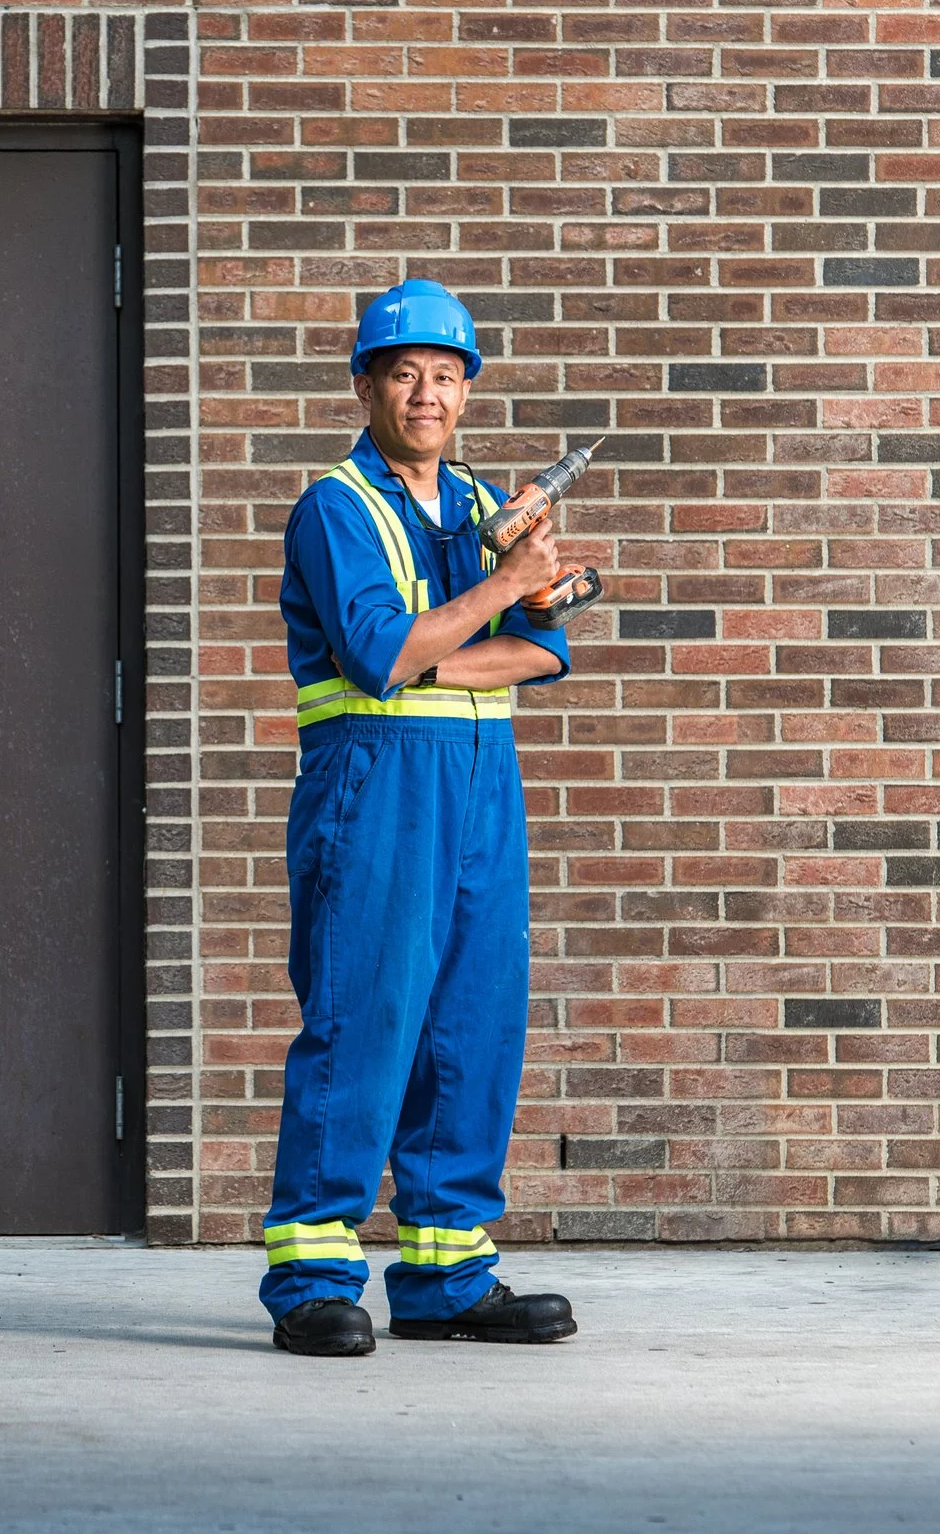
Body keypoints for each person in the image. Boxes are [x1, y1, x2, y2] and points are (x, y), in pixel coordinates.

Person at [261, 279, 580, 1357]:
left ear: (467, 390)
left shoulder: (487, 507)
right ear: (365, 384)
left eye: (447, 375)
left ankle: (447, 1271)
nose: (427, 392)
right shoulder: (335, 509)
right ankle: (312, 1273)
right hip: (374, 781)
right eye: (404, 372)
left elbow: (545, 653)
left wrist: (464, 627)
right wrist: (503, 589)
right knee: (365, 1017)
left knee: (472, 1020)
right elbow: (378, 653)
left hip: (483, 781)